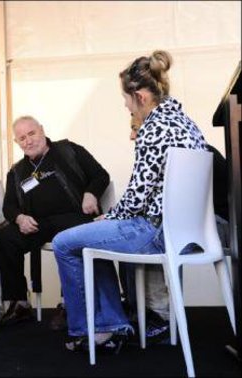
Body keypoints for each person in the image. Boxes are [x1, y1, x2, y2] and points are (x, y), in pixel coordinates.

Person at [52, 50, 208, 353]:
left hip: (154, 231)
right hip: (182, 230)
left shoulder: (152, 126)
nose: (126, 106)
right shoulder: (185, 122)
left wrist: (109, 217)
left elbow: (137, 197)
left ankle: (93, 329)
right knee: (90, 239)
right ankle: (113, 322)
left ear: (140, 96)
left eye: (125, 99)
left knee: (63, 242)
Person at [120, 112, 231, 344]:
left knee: (148, 237)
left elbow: (169, 211)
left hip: (214, 227)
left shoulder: (184, 156)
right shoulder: (187, 151)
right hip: (200, 224)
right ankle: (139, 312)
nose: (132, 136)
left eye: (135, 128)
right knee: (135, 236)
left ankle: (159, 317)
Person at [0, 115, 110, 326]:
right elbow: (8, 206)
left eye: (32, 133)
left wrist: (91, 193)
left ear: (42, 130)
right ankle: (19, 303)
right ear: (17, 143)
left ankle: (70, 304)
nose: (28, 141)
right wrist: (20, 218)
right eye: (22, 138)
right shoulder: (17, 171)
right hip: (39, 224)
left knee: (71, 239)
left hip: (74, 217)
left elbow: (100, 175)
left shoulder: (69, 150)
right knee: (4, 239)